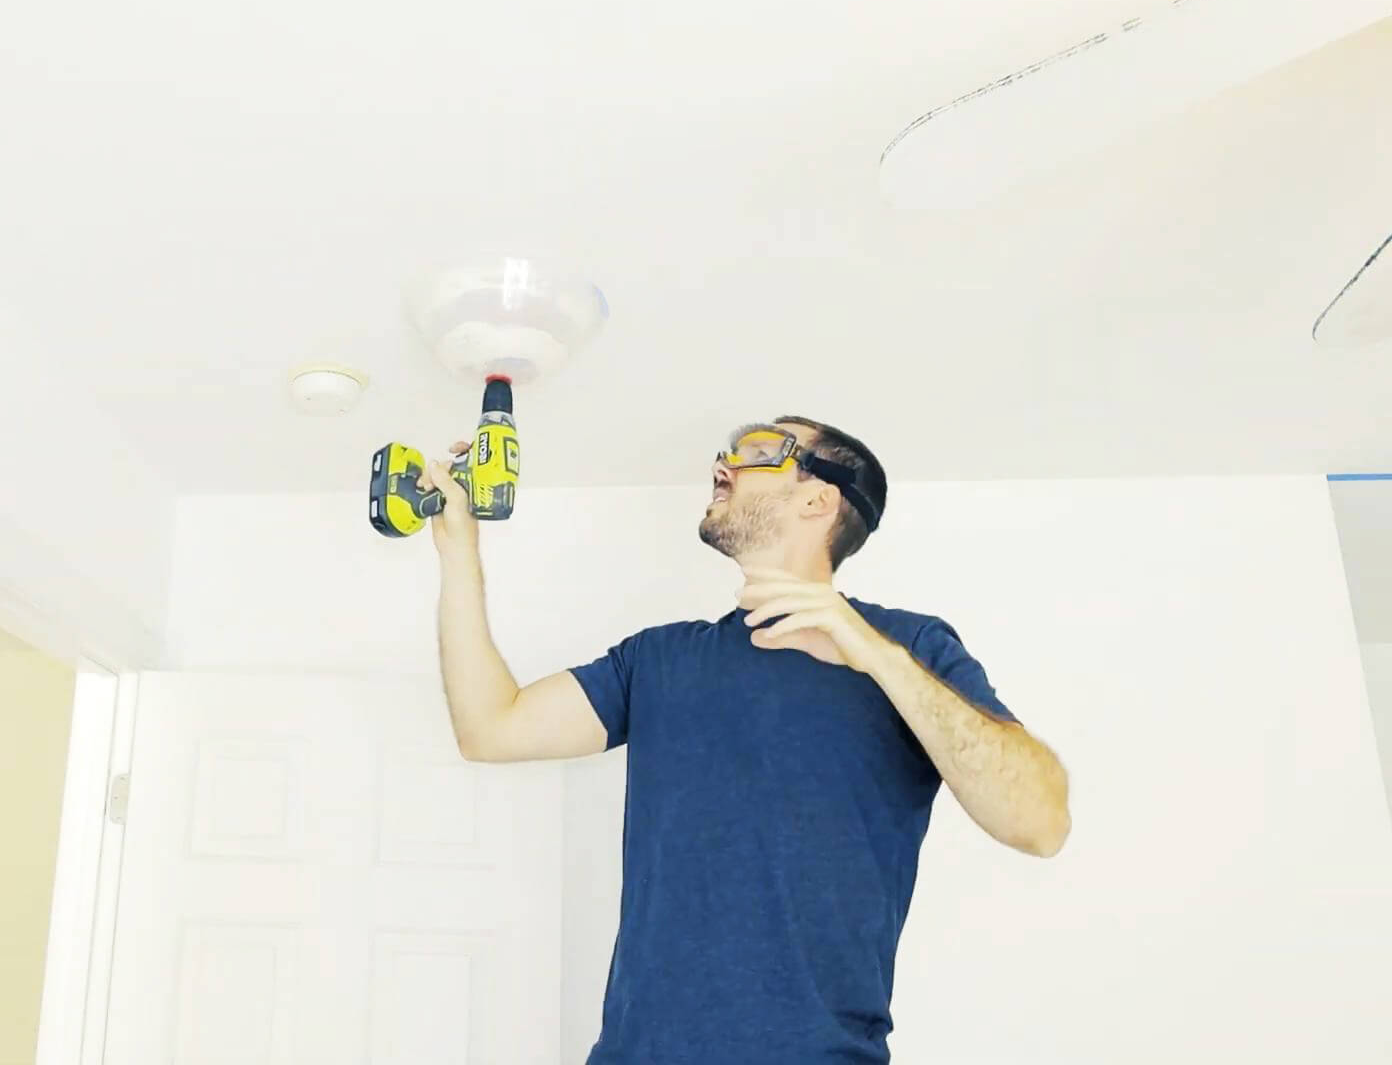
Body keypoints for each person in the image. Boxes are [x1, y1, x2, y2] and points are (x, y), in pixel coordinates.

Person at [418, 415, 1071, 1064]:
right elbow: (491, 727)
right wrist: (457, 546)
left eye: (757, 450)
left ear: (820, 499)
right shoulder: (658, 660)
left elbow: (1039, 824)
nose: (722, 463)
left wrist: (873, 652)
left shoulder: (911, 649)